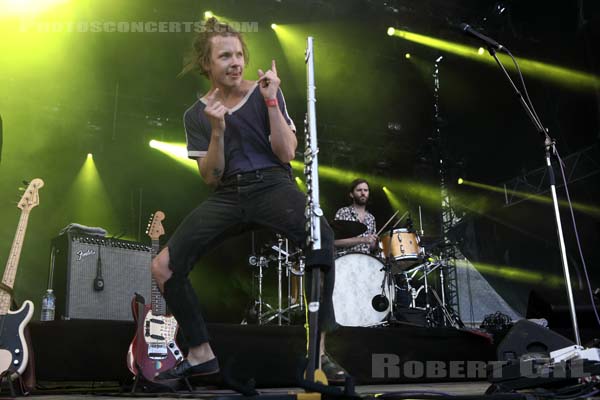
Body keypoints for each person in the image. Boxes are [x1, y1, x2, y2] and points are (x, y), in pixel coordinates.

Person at [151, 18, 347, 383]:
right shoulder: (197, 115)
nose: (236, 62)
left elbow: (286, 153)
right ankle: (200, 354)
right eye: (225, 56)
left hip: (273, 185)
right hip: (229, 194)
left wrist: (272, 101)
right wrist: (217, 132)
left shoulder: (264, 90)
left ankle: (319, 355)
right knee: (163, 267)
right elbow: (211, 177)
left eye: (239, 54)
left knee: (320, 235)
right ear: (207, 64)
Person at [333, 179, 378, 256]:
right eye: (359, 190)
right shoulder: (343, 212)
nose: (363, 193)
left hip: (365, 261)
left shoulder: (371, 218)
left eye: (366, 190)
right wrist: (362, 239)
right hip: (346, 260)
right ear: (351, 194)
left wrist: (375, 243)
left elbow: (370, 247)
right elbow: (335, 242)